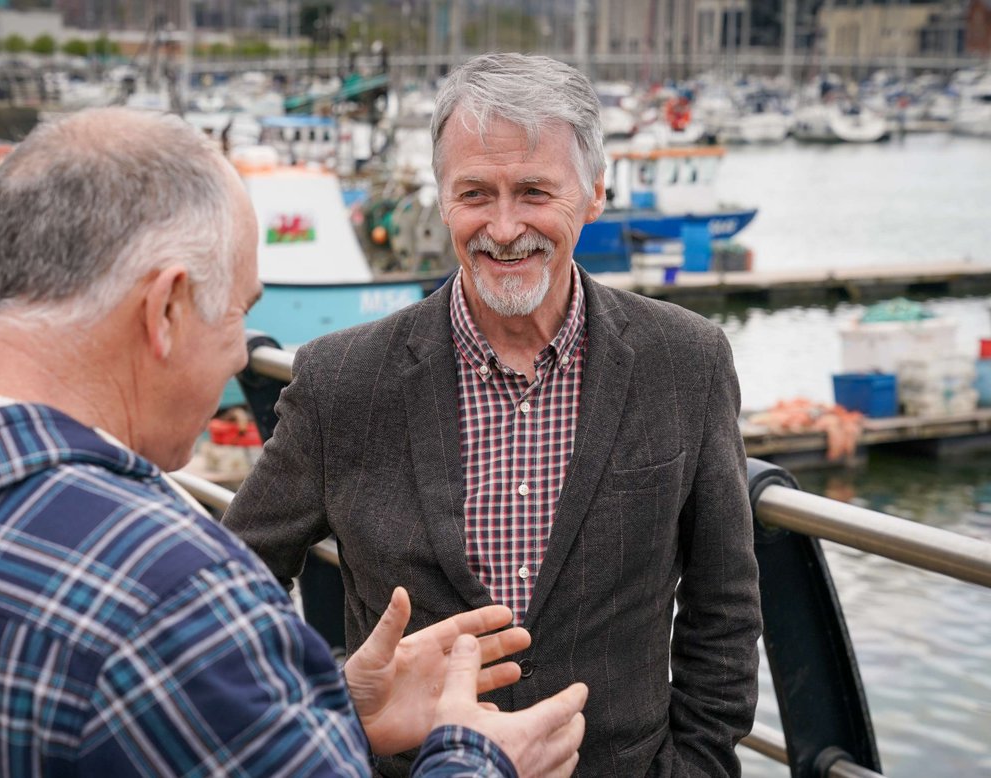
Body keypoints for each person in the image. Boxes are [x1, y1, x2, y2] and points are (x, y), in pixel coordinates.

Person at [0, 107, 588, 777]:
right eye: (238, 312)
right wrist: (475, 758)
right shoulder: (165, 600)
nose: (245, 355)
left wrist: (336, 715)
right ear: (166, 309)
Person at [224, 53, 763, 777]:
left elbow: (724, 607)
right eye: (475, 194)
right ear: (443, 197)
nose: (504, 229)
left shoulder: (686, 362)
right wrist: (335, 714)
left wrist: (696, 767)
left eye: (535, 192)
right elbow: (234, 595)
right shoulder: (341, 381)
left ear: (595, 193)